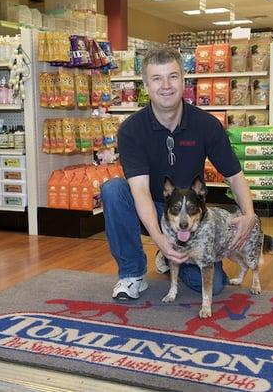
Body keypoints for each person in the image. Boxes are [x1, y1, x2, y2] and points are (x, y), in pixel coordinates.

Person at [101, 47, 256, 300]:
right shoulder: (131, 130)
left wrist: (249, 213)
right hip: (150, 206)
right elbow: (139, 191)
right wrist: (161, 237)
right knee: (113, 190)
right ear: (146, 85)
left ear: (184, 80)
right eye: (157, 78)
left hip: (190, 213)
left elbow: (234, 174)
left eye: (173, 76)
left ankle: (173, 256)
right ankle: (132, 274)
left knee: (214, 286)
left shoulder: (207, 125)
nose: (166, 86)